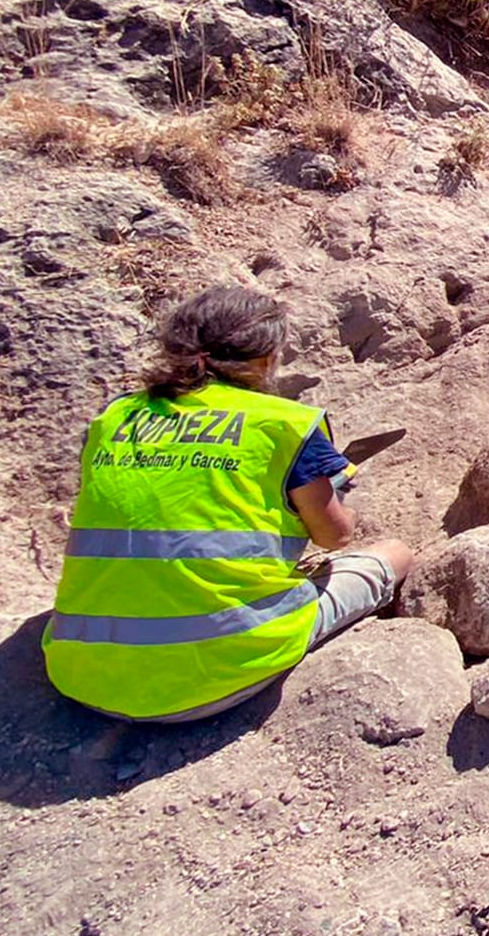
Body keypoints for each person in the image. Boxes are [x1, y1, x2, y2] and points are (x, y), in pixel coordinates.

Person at [43, 286, 414, 722]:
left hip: (78, 671)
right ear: (266, 357)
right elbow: (335, 536)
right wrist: (334, 496)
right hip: (210, 675)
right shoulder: (284, 425)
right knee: (395, 555)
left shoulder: (114, 418)